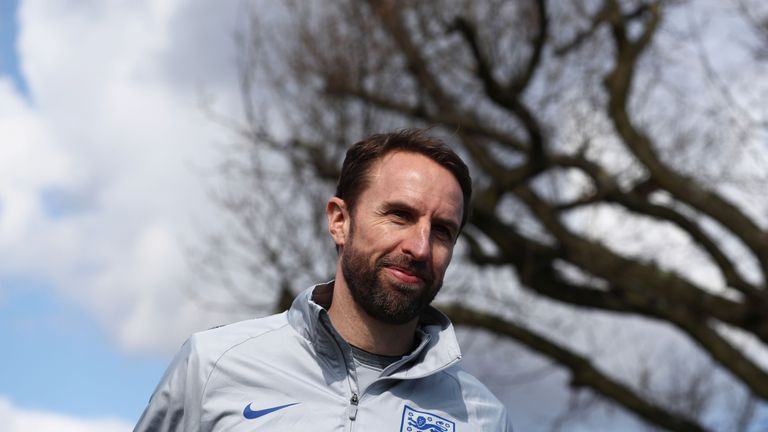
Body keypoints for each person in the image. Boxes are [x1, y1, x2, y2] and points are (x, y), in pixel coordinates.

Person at [134, 129, 512, 431]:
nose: (420, 247)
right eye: (399, 215)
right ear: (339, 221)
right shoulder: (214, 365)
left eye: (443, 231)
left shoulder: (482, 419)